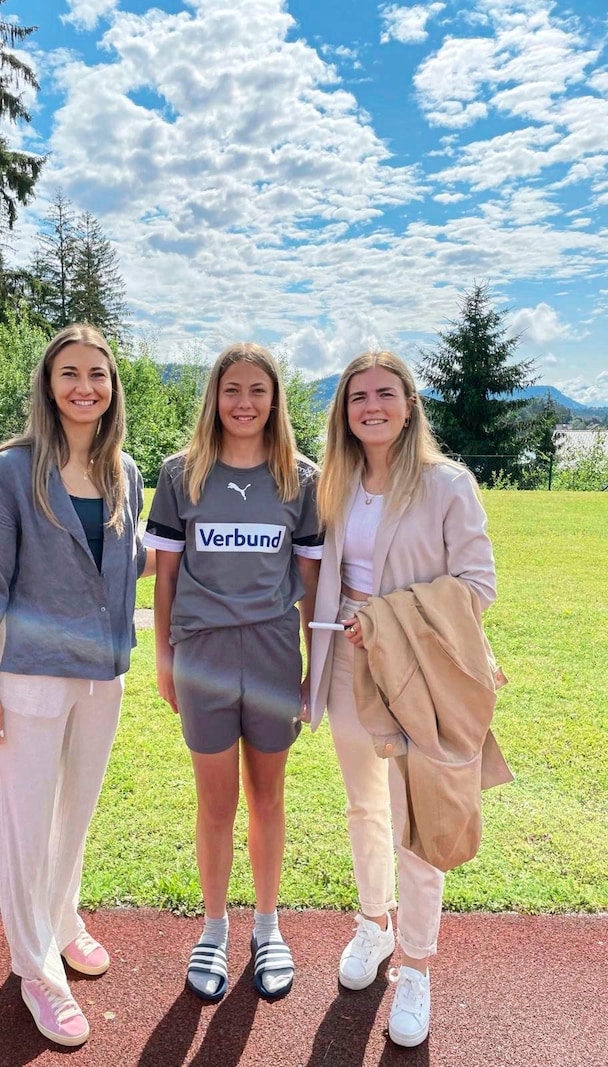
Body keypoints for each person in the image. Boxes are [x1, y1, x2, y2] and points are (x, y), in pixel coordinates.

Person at [0, 323, 153, 1047]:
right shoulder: (9, 471)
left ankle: (63, 919)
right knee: (27, 826)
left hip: (102, 680)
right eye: (69, 372)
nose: (84, 386)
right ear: (47, 383)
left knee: (74, 816)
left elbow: (127, 568)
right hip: (32, 676)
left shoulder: (125, 472)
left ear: (112, 387)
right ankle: (34, 965)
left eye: (97, 374)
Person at [309, 350, 498, 1048]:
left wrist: (387, 622)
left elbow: (477, 586)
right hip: (344, 670)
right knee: (364, 805)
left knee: (417, 823)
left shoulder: (448, 485)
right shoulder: (337, 481)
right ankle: (373, 924)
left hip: (415, 675)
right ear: (345, 411)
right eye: (358, 396)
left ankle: (416, 965)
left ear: (410, 403)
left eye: (385, 393)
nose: (371, 406)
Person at [144, 342, 322, 1003]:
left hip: (275, 655)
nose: (244, 402)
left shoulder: (301, 479)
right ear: (214, 397)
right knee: (216, 802)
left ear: (275, 399)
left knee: (268, 797)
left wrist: (315, 669)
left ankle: (268, 926)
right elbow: (163, 576)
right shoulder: (180, 474)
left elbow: (310, 583)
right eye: (231, 389)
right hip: (203, 656)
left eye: (257, 390)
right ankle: (215, 927)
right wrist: (163, 656)